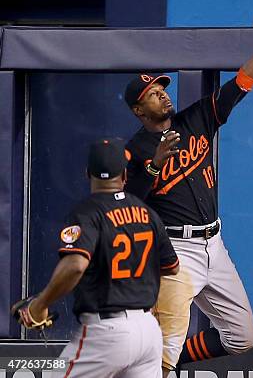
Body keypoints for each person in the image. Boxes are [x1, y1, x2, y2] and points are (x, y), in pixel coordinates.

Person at [124, 19, 253, 376]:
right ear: (139, 111)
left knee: (241, 336)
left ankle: (158, 357)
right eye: (153, 94)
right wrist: (155, 165)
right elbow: (130, 204)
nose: (163, 94)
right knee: (165, 352)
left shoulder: (195, 119)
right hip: (176, 252)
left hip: (214, 245)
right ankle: (156, 360)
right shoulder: (135, 149)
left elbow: (241, 85)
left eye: (162, 88)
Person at [13, 138, 179, 378]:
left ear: (87, 173)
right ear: (124, 175)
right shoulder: (148, 213)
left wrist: (40, 304)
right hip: (148, 331)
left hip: (107, 332)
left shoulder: (87, 212)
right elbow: (171, 267)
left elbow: (75, 265)